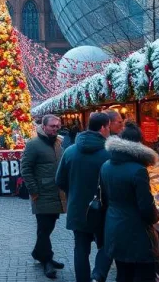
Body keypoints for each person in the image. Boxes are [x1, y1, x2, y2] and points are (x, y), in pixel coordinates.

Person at [99, 121, 159, 282]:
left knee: (123, 274)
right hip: (136, 232)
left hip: (114, 227)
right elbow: (146, 208)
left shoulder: (106, 166)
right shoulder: (138, 170)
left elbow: (104, 199)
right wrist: (155, 216)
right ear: (139, 143)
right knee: (143, 275)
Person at [56, 112, 112, 282]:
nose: (109, 130)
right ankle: (98, 276)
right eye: (109, 127)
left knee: (80, 249)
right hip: (103, 210)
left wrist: (73, 192)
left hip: (78, 208)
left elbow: (59, 180)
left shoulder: (70, 151)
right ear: (102, 128)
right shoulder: (109, 153)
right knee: (107, 245)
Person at [21, 114, 65, 279]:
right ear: (44, 127)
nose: (55, 128)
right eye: (52, 126)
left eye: (57, 126)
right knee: (44, 229)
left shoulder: (58, 143)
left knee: (49, 226)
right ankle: (47, 260)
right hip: (41, 193)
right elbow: (25, 168)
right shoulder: (34, 144)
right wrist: (33, 190)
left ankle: (38, 253)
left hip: (56, 193)